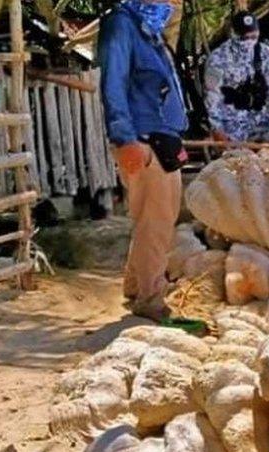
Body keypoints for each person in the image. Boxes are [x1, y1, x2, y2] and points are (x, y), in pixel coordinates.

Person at [98, 0, 188, 321]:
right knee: (156, 223)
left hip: (162, 138)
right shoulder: (122, 24)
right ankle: (151, 299)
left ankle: (136, 287)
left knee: (154, 219)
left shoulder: (149, 30)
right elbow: (113, 84)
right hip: (143, 140)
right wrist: (124, 139)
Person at [204, 11, 269, 143]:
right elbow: (212, 95)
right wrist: (216, 128)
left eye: (254, 37)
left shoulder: (264, 52)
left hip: (261, 117)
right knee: (237, 158)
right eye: (244, 38)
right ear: (234, 34)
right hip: (232, 122)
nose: (249, 42)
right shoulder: (217, 59)